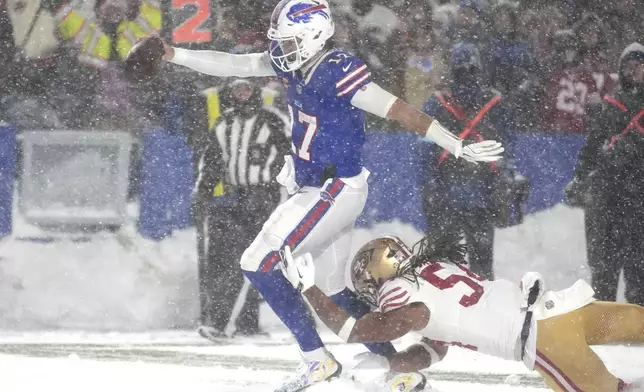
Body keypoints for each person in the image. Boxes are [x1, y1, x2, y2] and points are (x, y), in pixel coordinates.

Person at [159, 1, 503, 391]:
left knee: (258, 261)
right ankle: (398, 366)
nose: (279, 50)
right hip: (321, 187)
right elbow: (234, 65)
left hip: (333, 187)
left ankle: (315, 359)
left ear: (314, 37)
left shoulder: (338, 70)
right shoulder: (292, 64)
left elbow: (398, 110)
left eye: (288, 42)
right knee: (337, 292)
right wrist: (175, 54)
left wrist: (455, 145)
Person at [280, 235, 644, 392]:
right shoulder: (436, 266)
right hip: (563, 307)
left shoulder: (401, 293)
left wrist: (309, 290)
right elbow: (436, 345)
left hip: (543, 340)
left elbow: (362, 331)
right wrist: (395, 366)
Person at [194, 79, 291, 340]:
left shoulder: (273, 121)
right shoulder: (223, 123)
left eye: (246, 88)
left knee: (255, 260)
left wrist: (291, 191)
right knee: (225, 260)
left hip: (265, 198)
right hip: (234, 197)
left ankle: (246, 321)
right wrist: (203, 192)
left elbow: (289, 156)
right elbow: (213, 161)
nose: (241, 94)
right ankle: (222, 319)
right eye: (236, 89)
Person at [422, 43, 525, 280]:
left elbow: (507, 146)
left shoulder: (494, 105)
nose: (467, 76)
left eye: (471, 70)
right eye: (461, 71)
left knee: (479, 270)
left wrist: (503, 177)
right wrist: (430, 183)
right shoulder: (438, 103)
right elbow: (425, 149)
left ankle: (479, 310)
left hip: (479, 194)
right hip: (450, 193)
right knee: (443, 269)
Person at [565, 42, 644, 306]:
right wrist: (580, 177)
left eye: (640, 67)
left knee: (639, 273)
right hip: (608, 199)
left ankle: (638, 331)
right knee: (604, 272)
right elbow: (590, 148)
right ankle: (603, 329)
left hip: (639, 202)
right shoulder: (611, 105)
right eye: (630, 67)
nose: (635, 72)